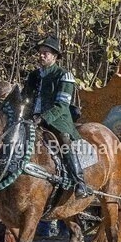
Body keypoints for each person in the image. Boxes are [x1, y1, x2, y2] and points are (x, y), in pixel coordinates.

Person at [23, 36, 88, 198]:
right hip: (32, 119)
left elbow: (61, 105)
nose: (41, 56)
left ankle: (79, 181)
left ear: (55, 56)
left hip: (57, 121)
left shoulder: (64, 76)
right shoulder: (33, 76)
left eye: (46, 53)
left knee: (64, 141)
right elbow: (25, 98)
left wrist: (43, 118)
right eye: (40, 53)